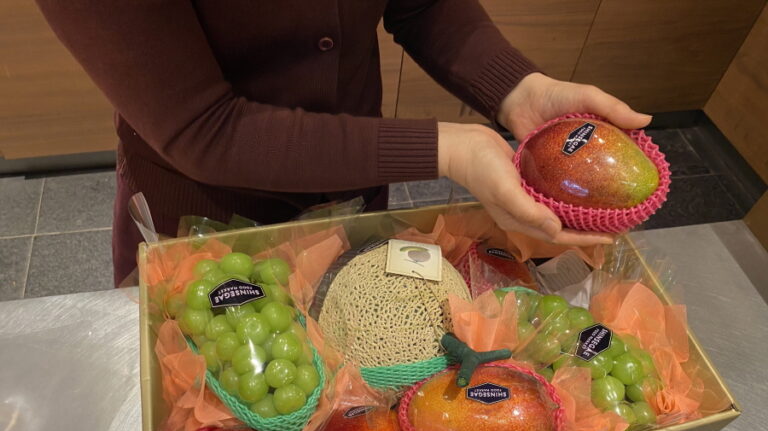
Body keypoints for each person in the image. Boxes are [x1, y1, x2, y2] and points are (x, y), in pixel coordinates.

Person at [35, 0, 652, 286]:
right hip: (205, 223)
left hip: (352, 181)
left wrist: (519, 89)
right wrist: (450, 149)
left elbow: (420, 4)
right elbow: (204, 127)